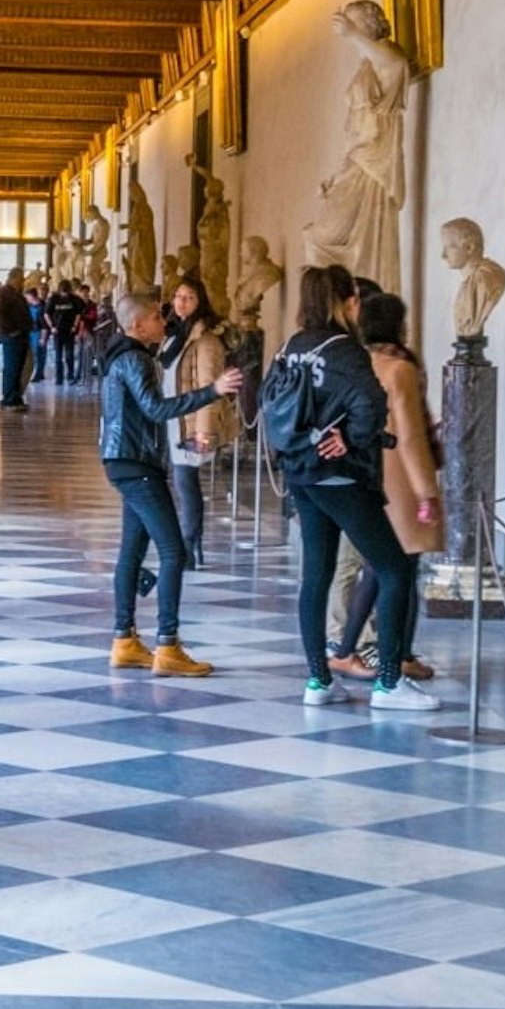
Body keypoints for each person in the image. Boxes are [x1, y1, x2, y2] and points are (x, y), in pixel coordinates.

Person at [263, 265, 430, 710]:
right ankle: (390, 682)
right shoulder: (346, 350)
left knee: (315, 574)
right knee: (393, 569)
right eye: (353, 298)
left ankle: (318, 680)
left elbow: (269, 401)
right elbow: (371, 403)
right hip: (340, 475)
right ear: (343, 302)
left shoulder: (289, 346)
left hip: (302, 473)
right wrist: (351, 437)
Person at [101, 293, 241, 675]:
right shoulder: (134, 358)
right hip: (136, 464)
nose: (164, 322)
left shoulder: (122, 354)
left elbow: (139, 415)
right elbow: (156, 409)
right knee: (174, 552)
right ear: (138, 325)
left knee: (132, 550)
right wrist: (212, 391)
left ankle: (124, 639)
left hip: (126, 459)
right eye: (156, 317)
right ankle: (168, 644)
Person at [327, 289, 445, 685]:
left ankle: (348, 649)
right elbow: (410, 436)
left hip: (363, 473)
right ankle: (397, 658)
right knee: (400, 568)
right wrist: (426, 491)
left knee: (379, 568)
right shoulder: (399, 369)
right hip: (399, 477)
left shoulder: (358, 364)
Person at [163, 272, 233, 572]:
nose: (182, 302)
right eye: (179, 296)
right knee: (180, 482)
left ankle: (191, 544)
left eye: (189, 297)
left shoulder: (205, 340)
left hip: (190, 422)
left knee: (185, 482)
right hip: (171, 417)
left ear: (200, 301)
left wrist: (203, 430)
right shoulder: (174, 334)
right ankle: (189, 543)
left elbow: (210, 386)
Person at [0, 271, 34, 412]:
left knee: (19, 368)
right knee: (11, 368)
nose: (22, 282)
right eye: (20, 279)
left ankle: (16, 397)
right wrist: (10, 331)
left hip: (21, 335)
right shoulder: (4, 293)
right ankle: (8, 399)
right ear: (13, 278)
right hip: (12, 336)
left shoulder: (16, 293)